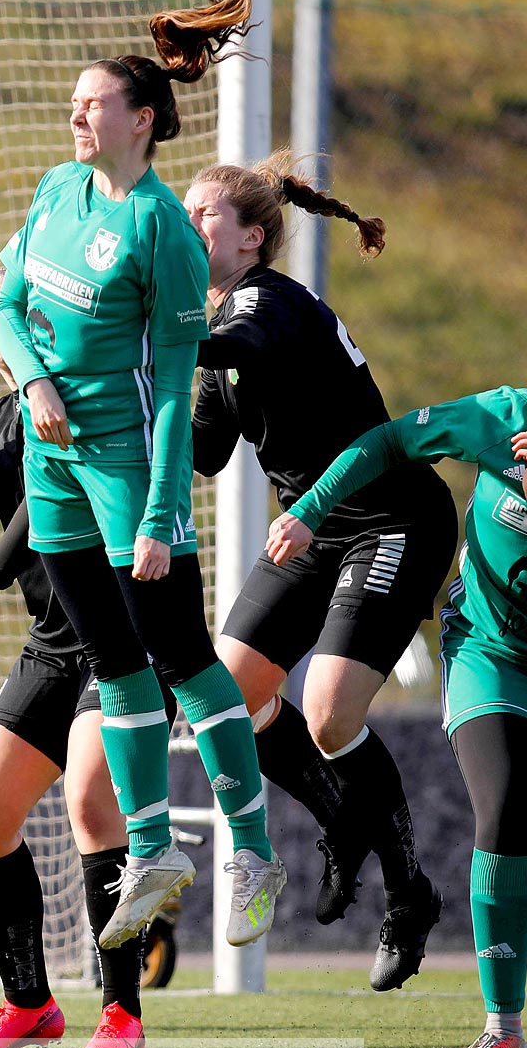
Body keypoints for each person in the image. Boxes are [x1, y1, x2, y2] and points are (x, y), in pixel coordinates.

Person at [267, 316, 527, 1048]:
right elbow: (387, 444)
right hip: (493, 648)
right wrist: (312, 506)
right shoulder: (507, 415)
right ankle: (501, 1029)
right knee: (506, 809)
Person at [0, 0, 283, 952]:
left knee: (185, 660)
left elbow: (171, 397)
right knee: (116, 661)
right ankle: (154, 848)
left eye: (94, 104)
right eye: (74, 104)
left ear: (143, 119)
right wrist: (31, 382)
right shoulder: (57, 188)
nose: (77, 119)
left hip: (126, 463)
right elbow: (14, 305)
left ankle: (250, 846)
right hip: (51, 457)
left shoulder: (162, 230)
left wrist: (159, 514)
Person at [185, 153, 455, 990]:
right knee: (225, 695)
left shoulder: (267, 302)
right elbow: (204, 452)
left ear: (251, 237)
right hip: (308, 529)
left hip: (391, 517)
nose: (185, 227)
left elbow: (238, 340)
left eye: (202, 217)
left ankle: (409, 894)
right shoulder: (221, 324)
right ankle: (340, 817)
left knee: (333, 717)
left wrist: (141, 331)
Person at [0, 269, 170, 1048]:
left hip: (124, 632)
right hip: (55, 641)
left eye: (7, 307)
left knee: (92, 801)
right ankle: (29, 1004)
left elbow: (49, 511)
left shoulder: (72, 398)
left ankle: (121, 1011)